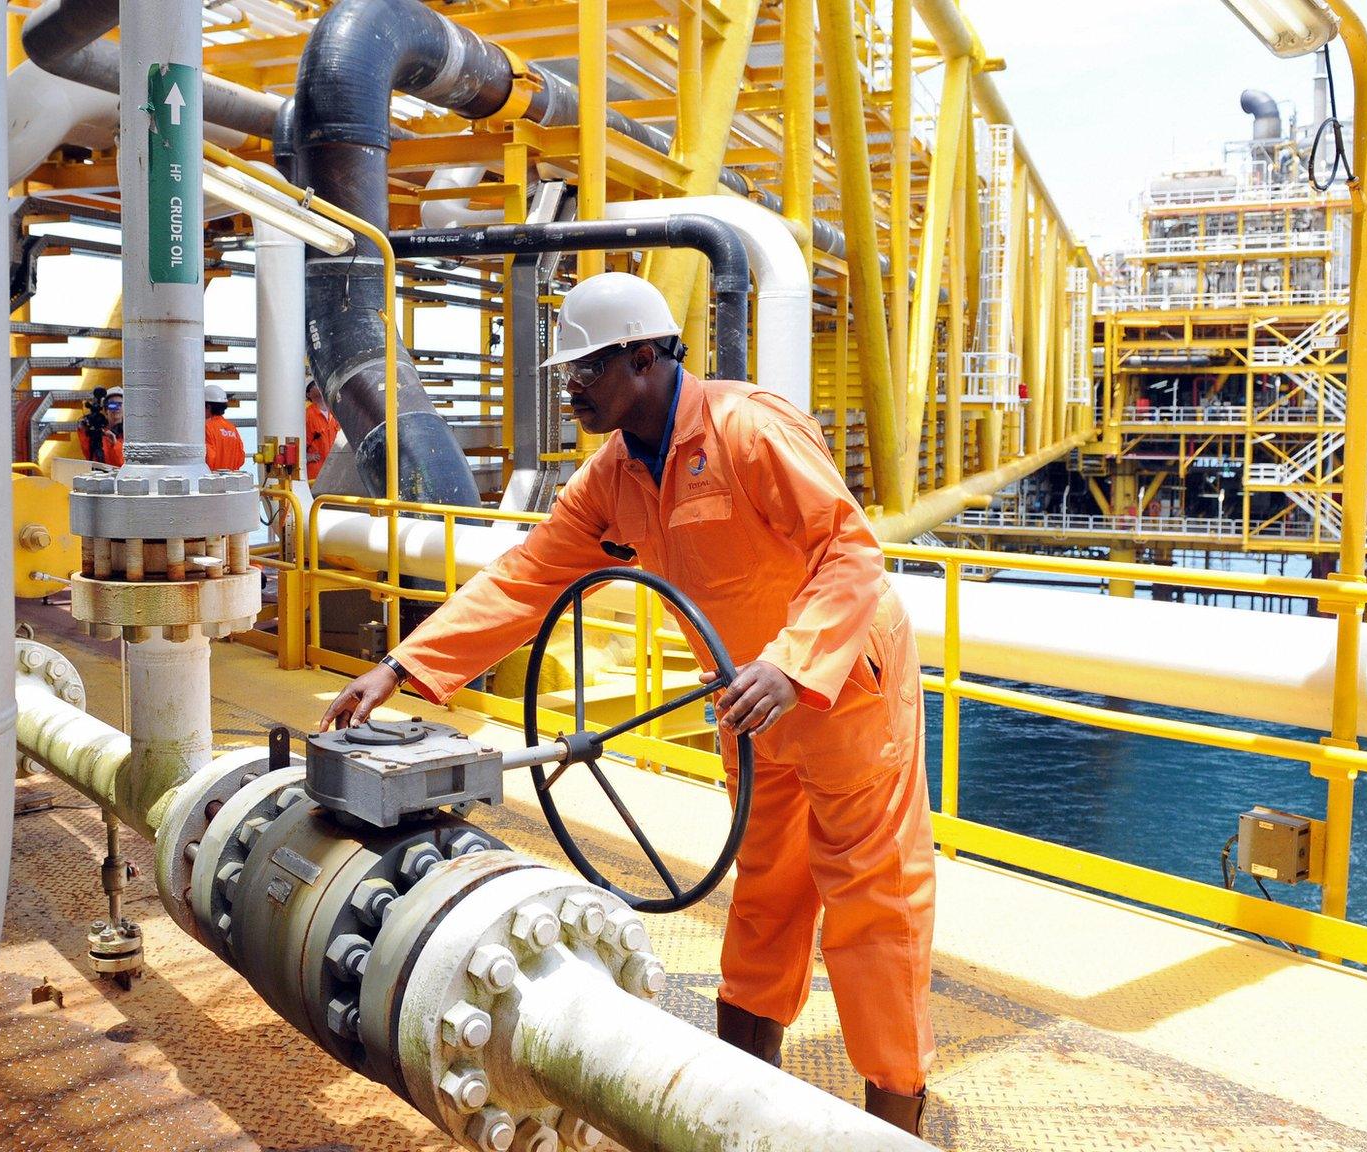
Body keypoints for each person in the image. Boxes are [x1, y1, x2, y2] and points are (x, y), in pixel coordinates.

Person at [319, 272, 935, 1133]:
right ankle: (742, 1108)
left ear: (643, 359)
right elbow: (528, 578)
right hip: (754, 709)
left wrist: (791, 666)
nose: (569, 386)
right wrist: (401, 666)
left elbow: (851, 554)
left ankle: (895, 1123)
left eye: (585, 369)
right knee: (764, 895)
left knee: (870, 907)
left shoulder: (747, 427)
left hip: (843, 692)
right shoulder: (615, 474)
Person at [205, 382, 247, 471]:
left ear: (208, 406)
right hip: (232, 479)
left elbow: (209, 457)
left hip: (211, 480)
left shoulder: (206, 427)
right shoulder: (231, 427)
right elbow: (241, 458)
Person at [304, 380, 340, 482]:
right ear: (308, 394)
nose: (318, 386)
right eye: (313, 385)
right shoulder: (307, 415)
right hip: (316, 471)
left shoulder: (335, 411)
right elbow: (299, 442)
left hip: (335, 469)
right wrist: (306, 457)